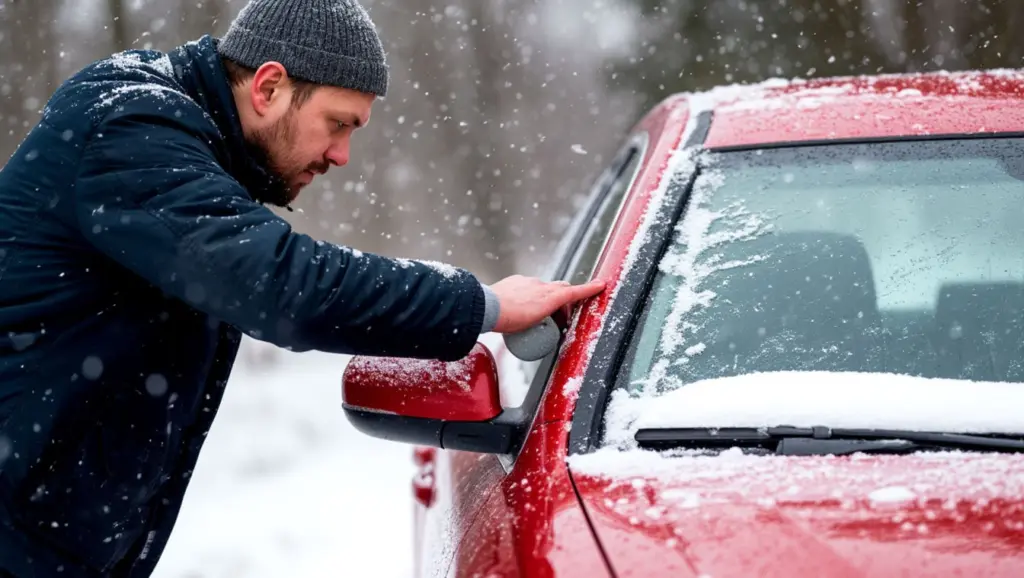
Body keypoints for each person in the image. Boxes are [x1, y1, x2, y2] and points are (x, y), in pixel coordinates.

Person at [0, 0, 605, 575]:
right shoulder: (129, 126)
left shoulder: (167, 129)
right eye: (336, 125)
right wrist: (485, 305)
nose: (342, 155)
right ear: (267, 88)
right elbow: (286, 286)